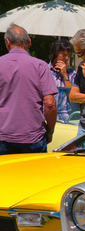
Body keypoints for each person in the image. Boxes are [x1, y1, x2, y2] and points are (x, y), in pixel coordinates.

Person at [0, 24, 57, 154]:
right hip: (33, 137)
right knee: (35, 174)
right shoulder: (41, 66)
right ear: (29, 42)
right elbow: (50, 104)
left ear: (8, 42)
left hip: (3, 137)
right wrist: (50, 131)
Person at [48, 38, 77, 122]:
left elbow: (73, 96)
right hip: (47, 116)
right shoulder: (44, 71)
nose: (67, 58)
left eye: (69, 55)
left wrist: (65, 76)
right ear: (56, 53)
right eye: (64, 55)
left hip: (66, 118)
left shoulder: (72, 74)